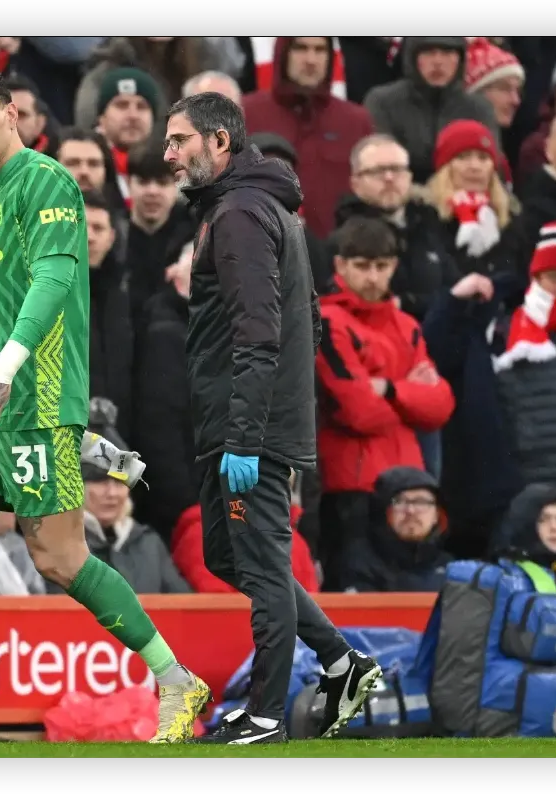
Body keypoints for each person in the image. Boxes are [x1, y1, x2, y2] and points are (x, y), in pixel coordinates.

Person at [0, 69, 207, 747]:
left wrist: (2, 373)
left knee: (56, 556)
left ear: (12, 115)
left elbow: (54, 279)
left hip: (33, 401)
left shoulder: (46, 181)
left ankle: (175, 679)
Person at [163, 92, 381, 745]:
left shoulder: (235, 215)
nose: (168, 153)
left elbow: (259, 334)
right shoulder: (266, 210)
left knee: (257, 567)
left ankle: (265, 713)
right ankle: (342, 664)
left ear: (219, 144)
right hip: (245, 420)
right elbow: (306, 323)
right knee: (229, 559)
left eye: (178, 141)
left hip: (246, 430)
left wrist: (248, 435)